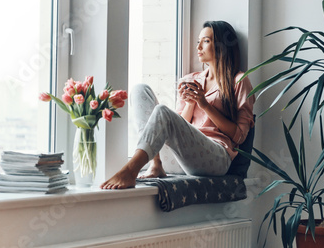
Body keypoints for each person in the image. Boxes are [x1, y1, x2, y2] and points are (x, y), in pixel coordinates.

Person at [100, 21, 255, 189]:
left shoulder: (239, 81)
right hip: (182, 159)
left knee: (163, 111)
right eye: (198, 41)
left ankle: (131, 170)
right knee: (140, 90)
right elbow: (178, 128)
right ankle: (156, 164)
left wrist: (204, 105)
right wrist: (190, 104)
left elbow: (239, 136)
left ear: (222, 46)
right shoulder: (190, 80)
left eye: (206, 41)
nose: (198, 47)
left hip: (215, 158)